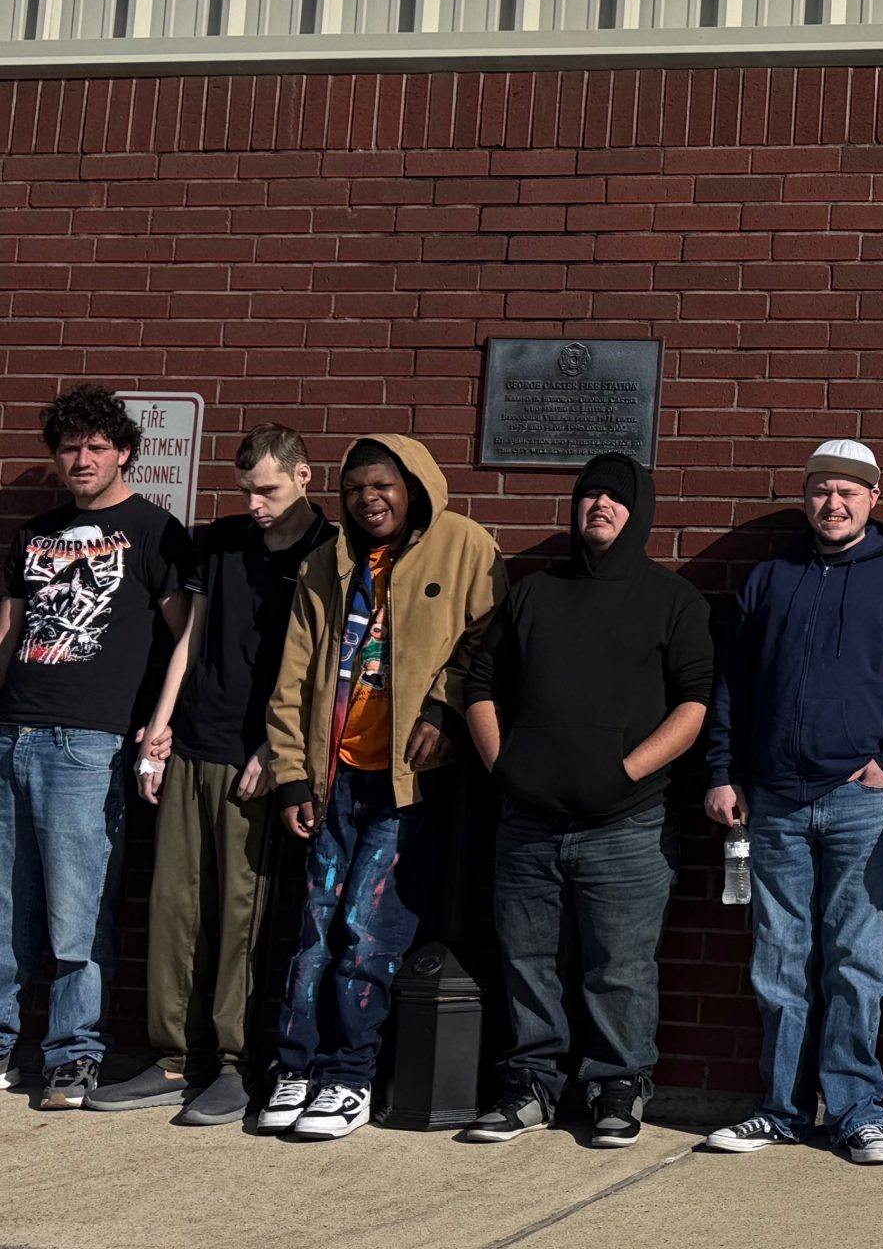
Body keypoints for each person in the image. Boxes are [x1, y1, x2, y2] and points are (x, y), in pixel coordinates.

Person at [255, 433, 506, 1142]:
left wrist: (445, 710)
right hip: (332, 778)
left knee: (368, 935)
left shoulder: (464, 546)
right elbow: (293, 676)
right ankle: (296, 1067)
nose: (369, 499)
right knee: (313, 934)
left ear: (412, 486)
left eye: (382, 485)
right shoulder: (327, 564)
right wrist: (292, 774)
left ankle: (349, 1076)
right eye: (356, 488)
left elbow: (488, 641)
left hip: (405, 785)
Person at [460, 453, 712, 1150]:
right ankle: (530, 1083)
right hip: (528, 823)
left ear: (640, 512)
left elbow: (694, 704)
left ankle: (617, 1085)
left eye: (616, 497)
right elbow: (480, 685)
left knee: (620, 968)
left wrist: (623, 775)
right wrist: (504, 767)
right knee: (526, 961)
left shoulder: (674, 600)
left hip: (626, 825)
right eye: (590, 494)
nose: (600, 505)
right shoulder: (534, 594)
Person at [91, 426, 333, 1125]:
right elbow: (189, 637)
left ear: (304, 477)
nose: (255, 503)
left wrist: (275, 749)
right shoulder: (223, 540)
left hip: (256, 759)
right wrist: (158, 728)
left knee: (239, 914)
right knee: (173, 907)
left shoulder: (328, 551)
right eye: (247, 490)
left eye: (268, 490)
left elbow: (320, 666)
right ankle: (172, 1059)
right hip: (193, 744)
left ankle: (232, 1064)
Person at [695, 439, 883, 1165]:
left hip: (860, 801)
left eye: (849, 492)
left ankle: (856, 1113)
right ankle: (782, 1110)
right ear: (806, 497)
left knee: (855, 961)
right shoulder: (772, 577)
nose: (834, 504)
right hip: (774, 800)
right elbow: (733, 684)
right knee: (779, 960)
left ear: (873, 499)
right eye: (822, 490)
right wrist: (724, 771)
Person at [0, 385, 197, 1108]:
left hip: (88, 745)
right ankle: (4, 1043)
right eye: (69, 448)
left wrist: (162, 725)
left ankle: (73, 1053)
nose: (81, 459)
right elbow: (9, 631)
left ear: (124, 454)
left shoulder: (153, 531)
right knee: (4, 908)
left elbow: (188, 637)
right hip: (11, 733)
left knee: (75, 911)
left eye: (96, 447)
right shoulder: (35, 533)